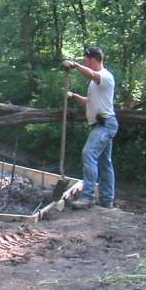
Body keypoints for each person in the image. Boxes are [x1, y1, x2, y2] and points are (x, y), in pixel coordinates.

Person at [61, 46, 119, 210]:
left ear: (91, 59)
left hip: (105, 125)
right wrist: (73, 96)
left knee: (88, 153)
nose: (84, 62)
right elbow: (90, 102)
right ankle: (107, 200)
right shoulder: (95, 83)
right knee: (105, 163)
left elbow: (92, 74)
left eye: (85, 60)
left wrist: (75, 65)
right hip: (100, 125)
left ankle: (88, 197)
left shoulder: (105, 76)